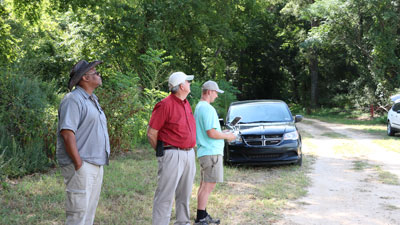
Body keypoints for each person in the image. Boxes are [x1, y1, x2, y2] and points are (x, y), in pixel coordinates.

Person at [56, 60, 110, 225]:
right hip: (82, 164)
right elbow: (67, 133)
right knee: (77, 215)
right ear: (84, 78)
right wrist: (78, 163)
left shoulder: (92, 99)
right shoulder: (73, 99)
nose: (99, 75)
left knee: (88, 214)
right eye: (95, 72)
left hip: (95, 163)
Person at [147, 71, 197, 225]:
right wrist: (163, 153)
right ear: (181, 86)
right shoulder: (164, 105)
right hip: (172, 154)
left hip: (189, 153)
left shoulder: (186, 103)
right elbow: (151, 133)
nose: (190, 84)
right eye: (188, 82)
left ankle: (183, 222)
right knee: (165, 195)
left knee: (185, 193)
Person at [194, 81, 236, 225]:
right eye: (216, 92)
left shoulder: (199, 107)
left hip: (205, 151)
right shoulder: (207, 108)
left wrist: (221, 132)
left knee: (204, 185)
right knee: (208, 186)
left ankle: (202, 214)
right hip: (211, 153)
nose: (217, 96)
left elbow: (210, 131)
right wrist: (228, 136)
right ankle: (200, 219)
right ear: (209, 91)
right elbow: (211, 133)